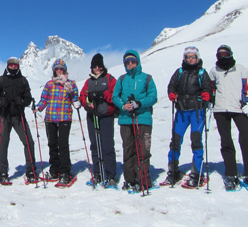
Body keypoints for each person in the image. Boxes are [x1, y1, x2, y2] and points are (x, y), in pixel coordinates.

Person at [209, 45, 248, 191]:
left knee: (246, 139)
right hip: (220, 110)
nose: (223, 57)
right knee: (226, 141)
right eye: (220, 55)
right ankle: (231, 175)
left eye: (226, 54)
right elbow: (211, 88)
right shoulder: (214, 71)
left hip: (239, 108)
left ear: (231, 54)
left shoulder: (241, 69)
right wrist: (209, 101)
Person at [164, 47, 213, 187]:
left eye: (193, 56)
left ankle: (196, 173)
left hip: (197, 111)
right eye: (188, 57)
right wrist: (171, 93)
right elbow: (172, 85)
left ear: (197, 58)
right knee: (175, 142)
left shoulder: (202, 73)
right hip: (181, 111)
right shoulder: (179, 72)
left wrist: (207, 95)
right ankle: (173, 172)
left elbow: (207, 87)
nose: (190, 59)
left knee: (196, 141)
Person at [112, 51, 158, 191]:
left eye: (133, 62)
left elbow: (153, 97)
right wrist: (122, 105)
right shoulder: (121, 79)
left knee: (143, 150)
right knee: (128, 149)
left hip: (143, 118)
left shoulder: (147, 78)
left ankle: (143, 180)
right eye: (128, 62)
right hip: (126, 119)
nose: (130, 64)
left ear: (137, 62)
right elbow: (115, 97)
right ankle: (130, 180)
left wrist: (140, 103)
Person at [0, 57, 37, 184]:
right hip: (4, 116)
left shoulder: (23, 80)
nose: (13, 67)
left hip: (18, 116)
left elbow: (28, 98)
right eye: (11, 65)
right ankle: (2, 172)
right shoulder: (0, 80)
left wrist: (22, 102)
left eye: (15, 65)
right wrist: (1, 102)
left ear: (18, 66)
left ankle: (31, 170)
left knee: (29, 141)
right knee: (3, 143)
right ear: (7, 65)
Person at [35, 59, 79, 186]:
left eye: (61, 69)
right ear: (54, 70)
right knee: (52, 144)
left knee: (63, 144)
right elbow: (44, 99)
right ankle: (54, 170)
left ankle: (65, 172)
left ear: (65, 70)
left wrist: (76, 102)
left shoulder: (71, 84)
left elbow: (75, 98)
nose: (59, 71)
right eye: (57, 69)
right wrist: (38, 108)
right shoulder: (49, 84)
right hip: (50, 118)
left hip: (65, 117)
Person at [79, 53, 118, 187]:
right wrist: (87, 104)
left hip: (106, 115)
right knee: (95, 145)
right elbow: (82, 96)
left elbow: (116, 96)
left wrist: (103, 95)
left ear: (103, 66)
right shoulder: (88, 82)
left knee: (107, 145)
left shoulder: (110, 79)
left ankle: (111, 175)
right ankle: (97, 173)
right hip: (92, 116)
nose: (97, 68)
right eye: (95, 66)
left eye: (99, 66)